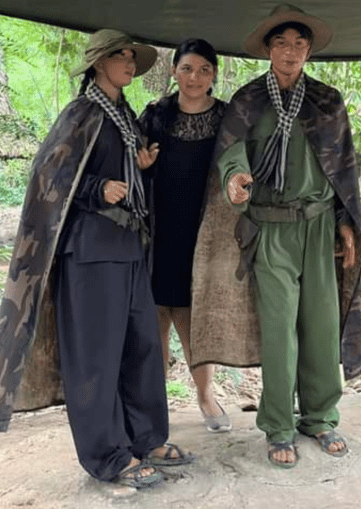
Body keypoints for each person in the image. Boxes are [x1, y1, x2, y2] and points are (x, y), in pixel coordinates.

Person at [0, 29, 193, 489]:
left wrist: (140, 169)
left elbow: (119, 171)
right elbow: (49, 175)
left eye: (133, 57)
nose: (130, 63)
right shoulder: (81, 112)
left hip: (129, 248)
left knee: (142, 348)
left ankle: (147, 438)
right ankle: (109, 457)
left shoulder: (122, 115)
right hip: (92, 252)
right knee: (96, 356)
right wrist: (97, 189)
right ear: (98, 64)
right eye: (120, 56)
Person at [190, 4, 361, 468]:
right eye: (282, 43)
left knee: (323, 327)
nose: (291, 52)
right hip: (269, 228)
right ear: (268, 49)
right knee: (279, 333)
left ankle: (320, 418)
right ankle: (278, 427)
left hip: (319, 226)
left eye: (300, 44)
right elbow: (230, 154)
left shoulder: (328, 101)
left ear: (308, 51)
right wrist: (235, 180)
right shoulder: (249, 100)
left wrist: (347, 222)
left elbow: (344, 166)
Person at [138, 39, 231, 433]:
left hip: (205, 233)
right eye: (188, 68)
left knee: (197, 320)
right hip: (158, 230)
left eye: (204, 70)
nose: (195, 78)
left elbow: (239, 164)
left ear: (214, 76)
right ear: (174, 71)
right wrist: (141, 165)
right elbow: (134, 165)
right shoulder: (156, 114)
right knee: (155, 316)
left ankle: (206, 396)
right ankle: (154, 407)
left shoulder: (227, 117)